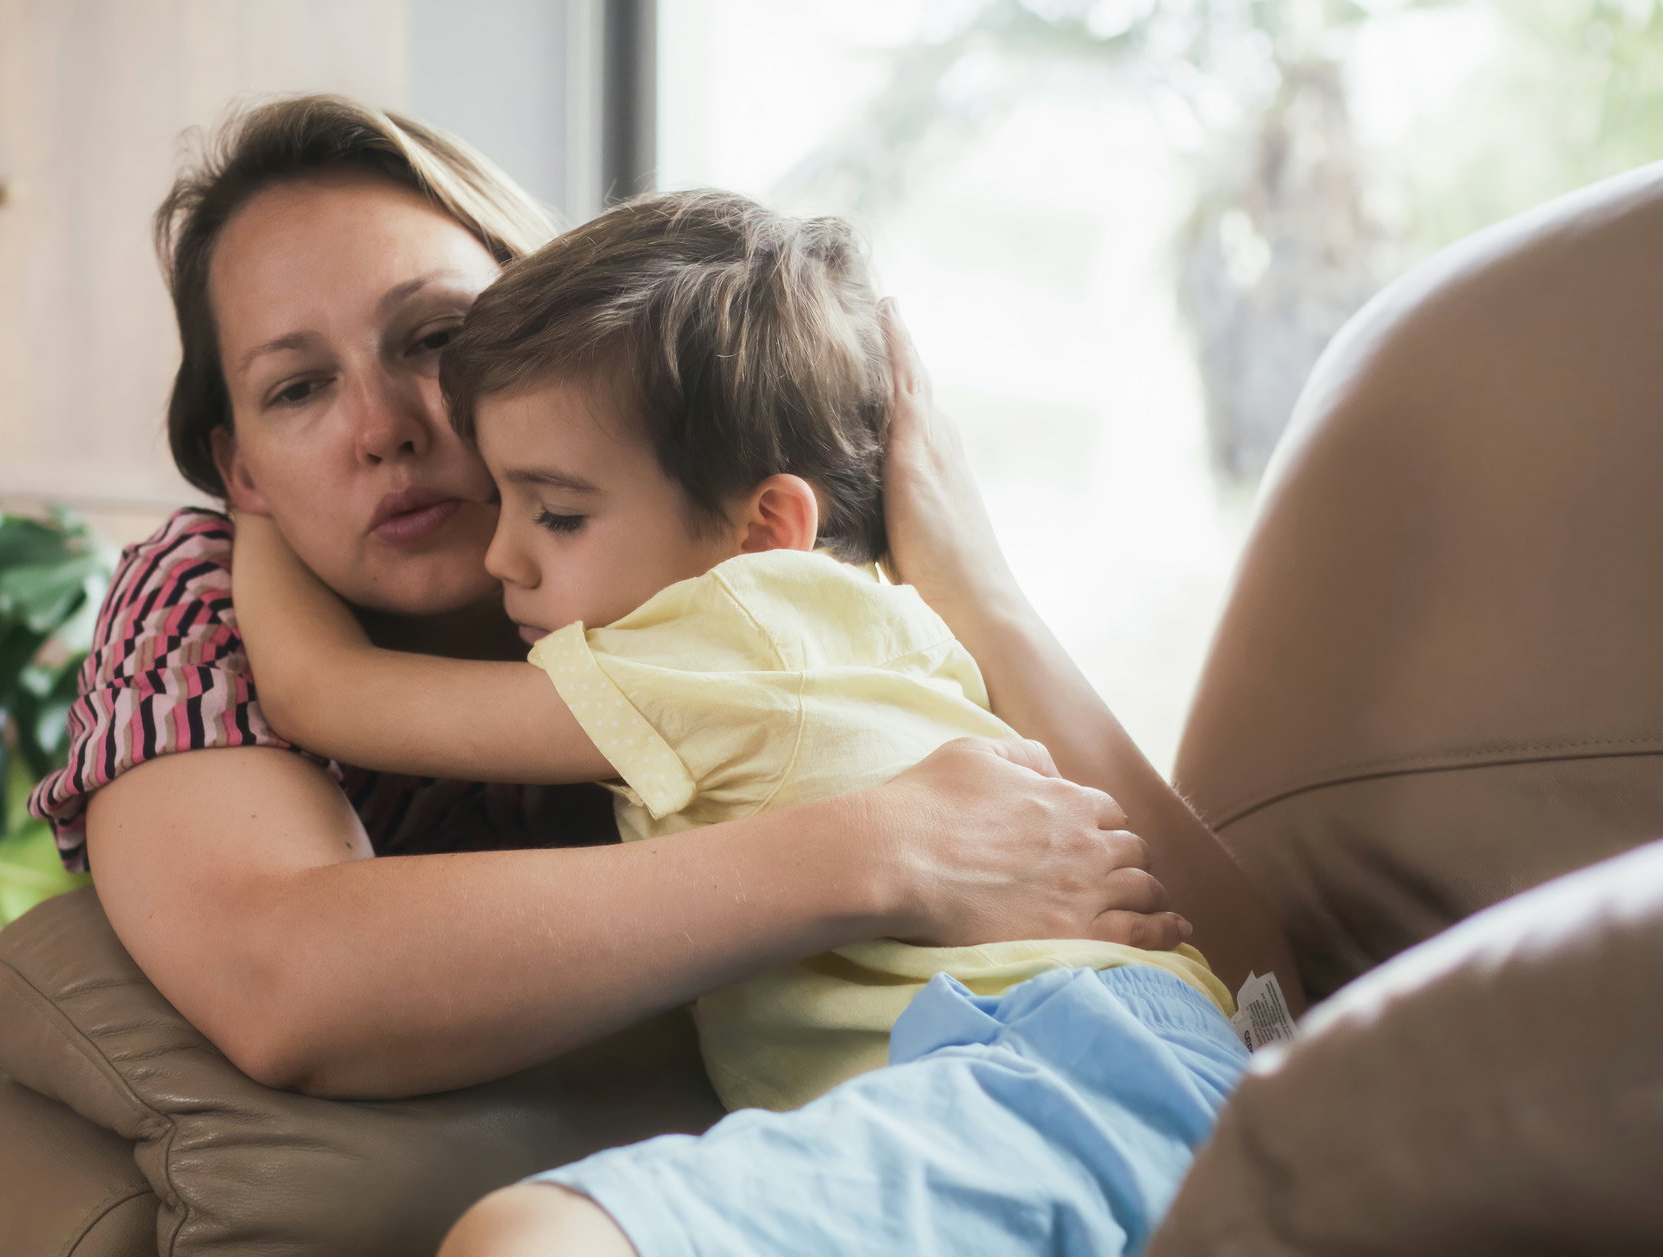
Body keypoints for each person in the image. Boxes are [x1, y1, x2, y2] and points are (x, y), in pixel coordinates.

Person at [29, 91, 1207, 1118]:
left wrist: (977, 589)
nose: (383, 424)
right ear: (239, 473)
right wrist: (879, 849)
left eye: (435, 338)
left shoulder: (745, 555)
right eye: (296, 389)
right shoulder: (206, 593)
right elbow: (284, 986)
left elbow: (1250, 986)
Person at [227, 189, 1295, 1255]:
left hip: (1043, 1066)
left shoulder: (722, 637)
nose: (505, 557)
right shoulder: (862, 620)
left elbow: (323, 692)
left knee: (533, 1238)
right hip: (1144, 1062)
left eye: (554, 513)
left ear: (764, 530)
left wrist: (251, 504)